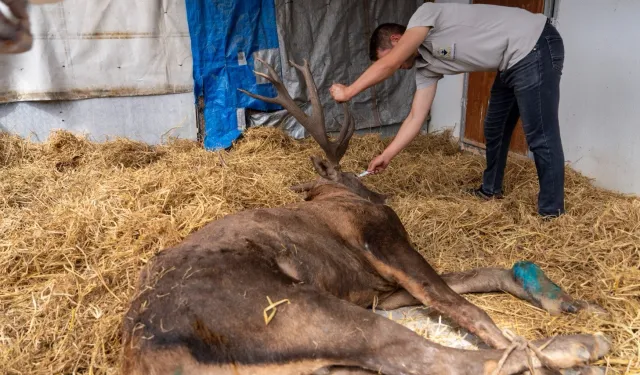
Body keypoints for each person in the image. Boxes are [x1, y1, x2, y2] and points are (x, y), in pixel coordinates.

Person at [329, 2, 566, 218]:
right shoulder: (425, 67)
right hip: (509, 62)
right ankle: (491, 190)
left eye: (394, 58)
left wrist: (348, 92)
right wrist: (387, 155)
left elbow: (389, 64)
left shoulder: (425, 14)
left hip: (534, 45)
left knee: (540, 134)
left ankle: (551, 212)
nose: (400, 67)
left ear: (396, 39)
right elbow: (415, 116)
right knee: (495, 127)